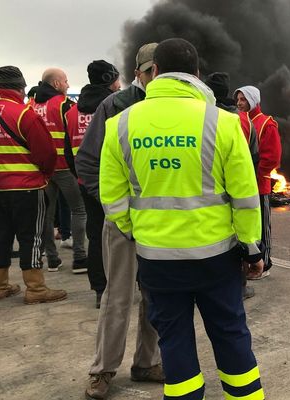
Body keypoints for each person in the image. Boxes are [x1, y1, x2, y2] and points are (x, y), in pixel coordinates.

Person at [100, 38, 265, 400]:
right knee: (230, 332)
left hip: (157, 259)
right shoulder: (222, 123)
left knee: (173, 339)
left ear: (154, 72)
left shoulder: (121, 124)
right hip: (216, 258)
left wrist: (136, 232)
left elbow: (111, 199)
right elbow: (245, 197)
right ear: (197, 74)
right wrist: (252, 249)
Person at [76, 43, 163, 400]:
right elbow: (87, 163)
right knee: (118, 297)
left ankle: (148, 363)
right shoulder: (114, 106)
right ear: (138, 73)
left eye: (162, 70)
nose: (155, 78)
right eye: (150, 71)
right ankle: (102, 371)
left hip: (162, 224)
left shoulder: (178, 108)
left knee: (155, 296)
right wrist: (115, 207)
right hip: (124, 223)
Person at [0, 65, 66, 304]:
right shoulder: (24, 114)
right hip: (26, 188)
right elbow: (47, 153)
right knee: (31, 237)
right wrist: (46, 176)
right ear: (21, 88)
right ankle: (36, 289)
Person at [65, 60, 120, 308]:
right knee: (125, 236)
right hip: (113, 183)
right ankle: (135, 284)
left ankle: (100, 289)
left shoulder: (72, 112)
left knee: (96, 236)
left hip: (85, 182)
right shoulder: (114, 106)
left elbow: (68, 151)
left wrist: (80, 177)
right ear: (110, 78)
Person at [206, 72, 259, 300]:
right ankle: (240, 286)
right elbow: (253, 159)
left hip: (209, 198)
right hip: (240, 191)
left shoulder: (205, 119)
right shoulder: (242, 120)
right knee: (238, 240)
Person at [29, 68, 87, 274]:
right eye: (65, 81)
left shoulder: (31, 105)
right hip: (65, 167)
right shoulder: (65, 105)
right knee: (79, 210)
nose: (68, 85)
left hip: (42, 169)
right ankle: (80, 258)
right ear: (56, 84)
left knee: (46, 213)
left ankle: (52, 260)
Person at [234, 85, 282, 279]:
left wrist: (254, 174)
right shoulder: (238, 121)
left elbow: (273, 157)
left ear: (253, 101)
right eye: (237, 99)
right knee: (246, 228)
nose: (239, 103)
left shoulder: (266, 124)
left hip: (259, 185)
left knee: (262, 227)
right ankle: (248, 264)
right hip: (243, 185)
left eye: (243, 99)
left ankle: (266, 263)